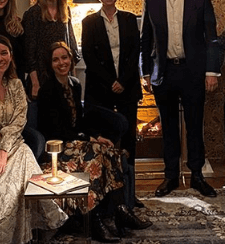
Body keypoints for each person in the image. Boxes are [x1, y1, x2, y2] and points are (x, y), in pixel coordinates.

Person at [36, 42, 151, 243]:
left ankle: (120, 210)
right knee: (96, 157)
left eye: (64, 57)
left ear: (71, 59)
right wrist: (87, 139)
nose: (61, 62)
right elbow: (56, 130)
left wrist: (96, 137)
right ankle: (96, 219)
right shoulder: (48, 90)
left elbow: (81, 121)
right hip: (58, 147)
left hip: (76, 142)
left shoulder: (74, 84)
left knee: (109, 149)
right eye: (56, 59)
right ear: (50, 63)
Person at [0, 35, 67, 243]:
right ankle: (42, 223)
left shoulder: (15, 85)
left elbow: (18, 122)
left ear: (11, 57)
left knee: (23, 152)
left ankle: (26, 233)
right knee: (22, 157)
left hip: (10, 149)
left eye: (4, 53)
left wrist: (4, 150)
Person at [140, 0, 221, 198]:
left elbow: (212, 38)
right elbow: (146, 39)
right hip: (163, 73)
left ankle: (196, 175)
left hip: (193, 71)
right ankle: (170, 176)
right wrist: (144, 73)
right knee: (169, 128)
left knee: (195, 125)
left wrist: (212, 71)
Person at [81, 0, 142, 207]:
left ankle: (130, 195)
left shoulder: (128, 19)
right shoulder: (89, 22)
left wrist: (122, 81)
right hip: (101, 89)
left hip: (127, 88)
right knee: (104, 140)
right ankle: (107, 195)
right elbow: (89, 56)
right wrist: (110, 82)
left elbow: (135, 52)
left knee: (128, 141)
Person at [22, 0, 79, 99]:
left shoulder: (65, 10)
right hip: (41, 78)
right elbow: (29, 52)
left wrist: (73, 78)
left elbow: (71, 45)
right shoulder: (34, 13)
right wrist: (35, 84)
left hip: (63, 75)